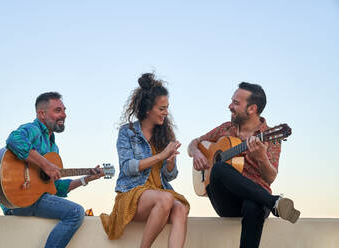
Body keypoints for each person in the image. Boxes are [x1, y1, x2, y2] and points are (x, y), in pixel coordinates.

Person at [188, 82, 300, 248]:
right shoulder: (225, 129)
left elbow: (270, 177)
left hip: (256, 199)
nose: (230, 106)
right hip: (225, 200)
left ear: (252, 109)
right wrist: (196, 153)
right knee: (218, 168)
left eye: (236, 103)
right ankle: (274, 202)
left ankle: (269, 202)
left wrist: (261, 157)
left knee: (253, 205)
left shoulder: (269, 136)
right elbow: (194, 143)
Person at [1, 92, 105, 248]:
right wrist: (45, 164)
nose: (64, 115)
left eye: (64, 110)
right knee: (75, 212)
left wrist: (86, 179)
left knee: (73, 210)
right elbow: (14, 140)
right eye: (58, 110)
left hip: (35, 199)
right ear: (42, 114)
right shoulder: (32, 129)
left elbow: (55, 188)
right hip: (20, 199)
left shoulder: (53, 147)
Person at [100, 73, 190, 248]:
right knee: (165, 199)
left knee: (180, 208)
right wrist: (160, 156)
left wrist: (170, 163)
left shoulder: (165, 135)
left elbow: (169, 176)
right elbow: (127, 167)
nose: (166, 113)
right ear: (148, 110)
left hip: (158, 193)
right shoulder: (128, 132)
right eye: (162, 108)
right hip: (132, 193)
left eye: (167, 108)